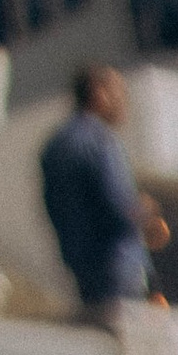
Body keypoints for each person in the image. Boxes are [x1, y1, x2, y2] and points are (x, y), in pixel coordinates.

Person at [39, 64, 149, 322]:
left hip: (81, 268)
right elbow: (119, 208)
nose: (124, 101)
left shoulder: (55, 146)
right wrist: (142, 209)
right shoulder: (101, 141)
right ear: (99, 93)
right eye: (118, 92)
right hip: (118, 267)